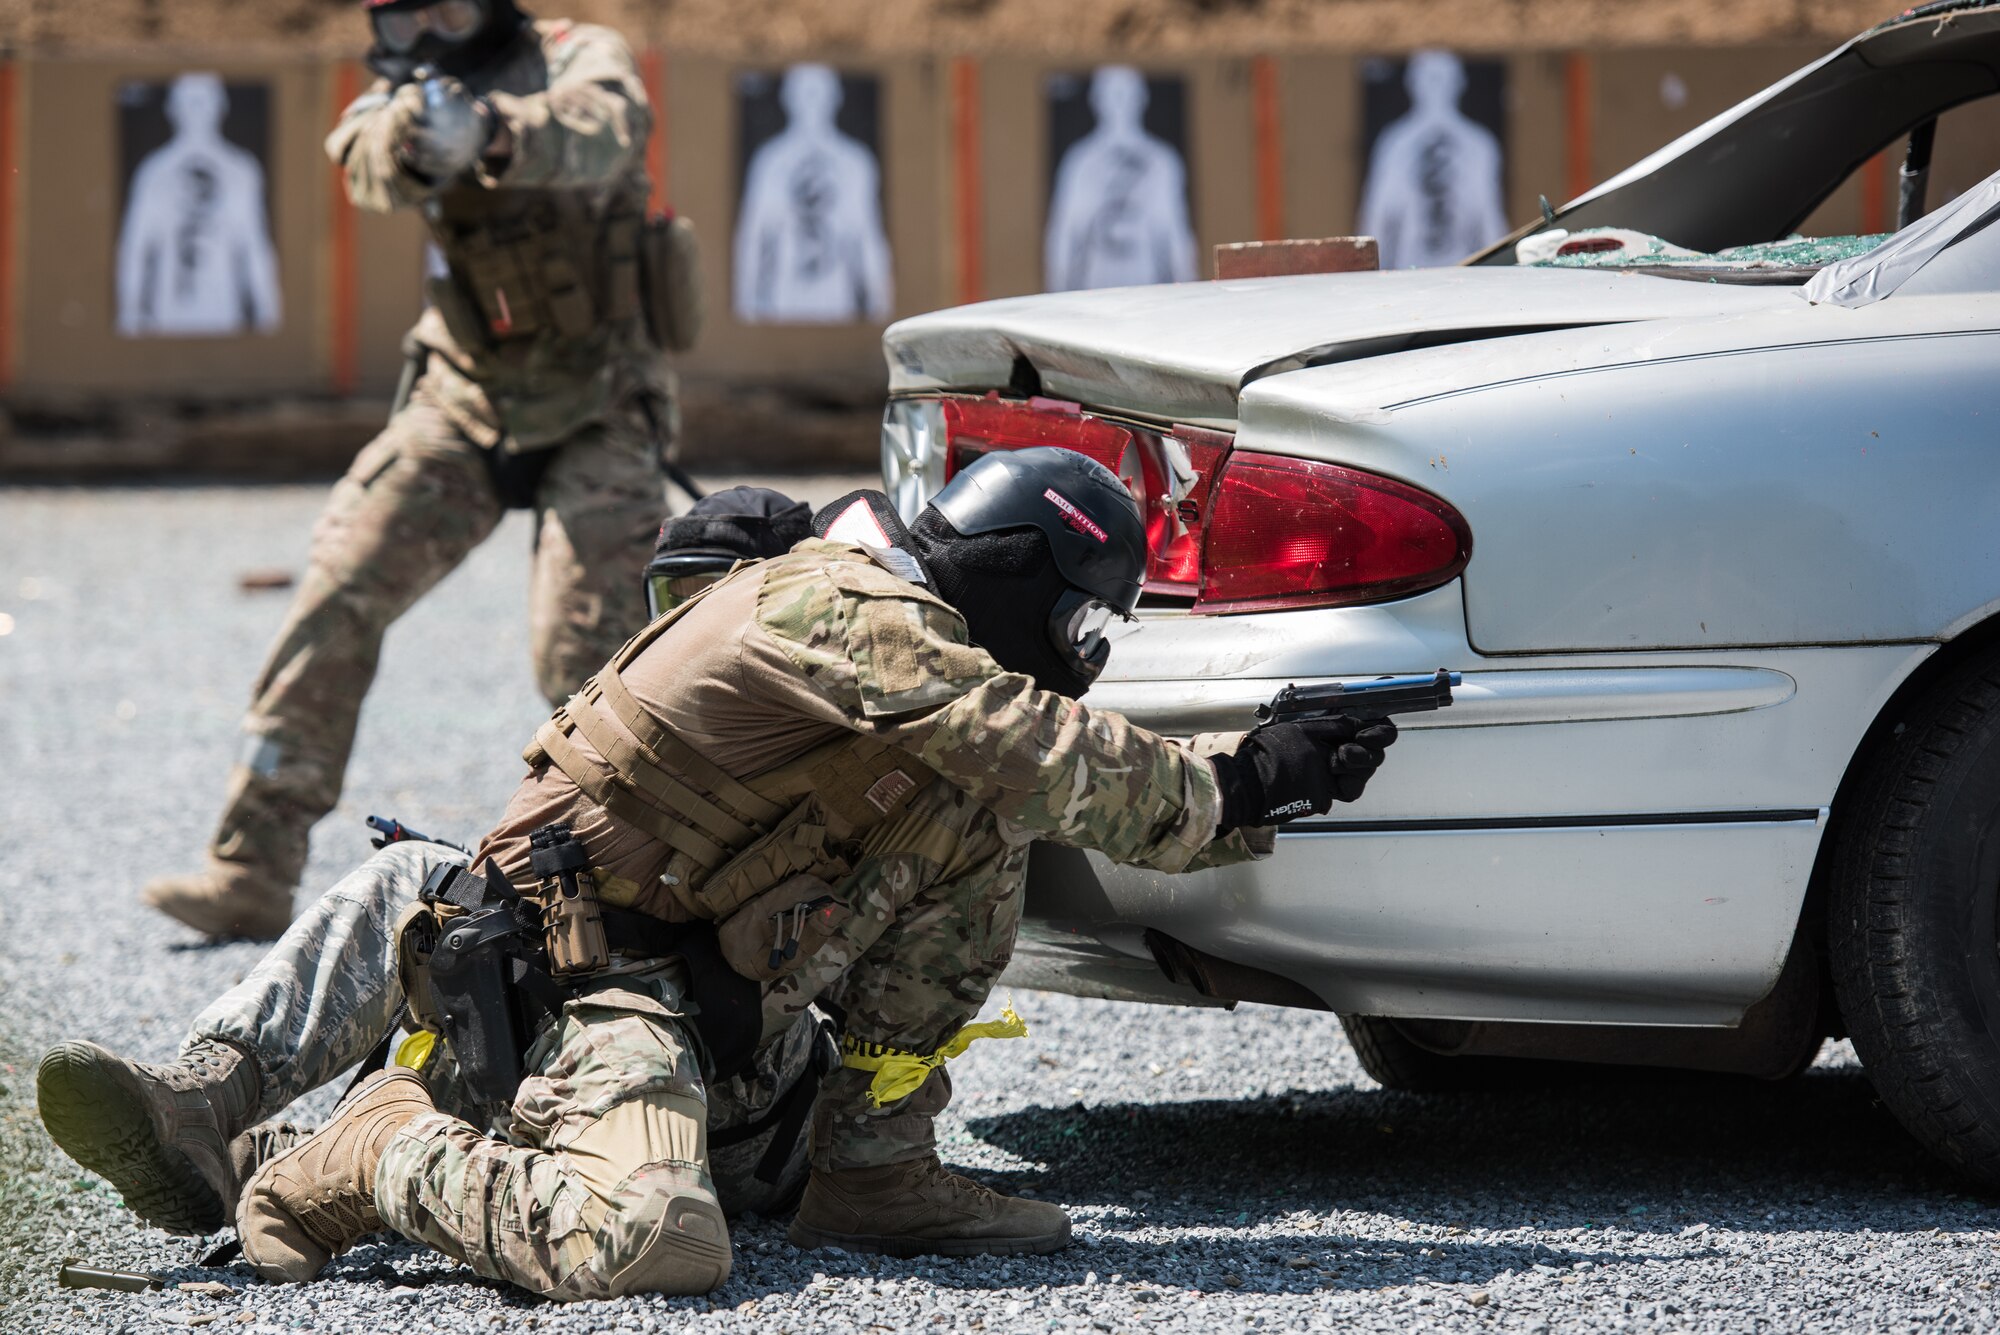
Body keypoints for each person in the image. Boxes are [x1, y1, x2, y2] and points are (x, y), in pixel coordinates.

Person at [42, 449, 1396, 1299]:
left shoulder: (897, 662)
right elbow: (1029, 737)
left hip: (688, 1009)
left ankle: (876, 1161)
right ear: (1023, 581)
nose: (1076, 656)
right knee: (645, 1241)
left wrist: (1252, 764)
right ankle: (349, 1144)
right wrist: (1237, 780)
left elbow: (1017, 758)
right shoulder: (849, 605)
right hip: (582, 996)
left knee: (983, 818)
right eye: (1080, 623)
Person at [142, 0, 681, 941]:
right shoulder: (398, 95)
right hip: (465, 397)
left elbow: (608, 126)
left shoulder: (574, 54)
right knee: (340, 589)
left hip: (601, 400)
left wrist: (491, 130)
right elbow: (362, 160)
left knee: (586, 660)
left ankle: (624, 891)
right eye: (409, 15)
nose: (434, 28)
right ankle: (251, 866)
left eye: (451, 7)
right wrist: (415, 136)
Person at [117, 72, 283, 338]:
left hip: (225, 315)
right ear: (173, 109)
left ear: (221, 106)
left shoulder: (242, 170)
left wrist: (268, 311)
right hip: (166, 318)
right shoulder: (153, 172)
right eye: (188, 102)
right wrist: (129, 312)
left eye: (205, 101)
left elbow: (255, 247)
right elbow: (135, 248)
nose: (197, 111)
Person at [732, 63, 894, 325]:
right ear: (788, 99)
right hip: (783, 299)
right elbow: (754, 236)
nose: (811, 103)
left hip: (838, 300)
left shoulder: (856, 162)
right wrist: (748, 299)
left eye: (819, 93)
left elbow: (868, 237)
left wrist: (879, 300)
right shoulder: (770, 161)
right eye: (803, 93)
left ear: (835, 97)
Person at [1044, 66, 1198, 292]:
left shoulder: (1161, 161)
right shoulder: (1080, 162)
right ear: (1097, 101)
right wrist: (1055, 295)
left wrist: (1189, 292)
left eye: (1127, 94)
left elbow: (1174, 233)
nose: (1120, 104)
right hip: (1096, 286)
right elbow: (1065, 233)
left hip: (1146, 283)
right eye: (1111, 95)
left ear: (1141, 99)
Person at [1357, 50, 1508, 269]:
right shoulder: (1395, 143)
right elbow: (1379, 218)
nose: (1436, 87)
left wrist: (1499, 273)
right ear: (1412, 83)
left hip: (1465, 273)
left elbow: (1487, 219)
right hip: (1408, 270)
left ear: (1459, 83)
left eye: (1443, 78)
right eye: (1428, 78)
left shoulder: (1479, 144)